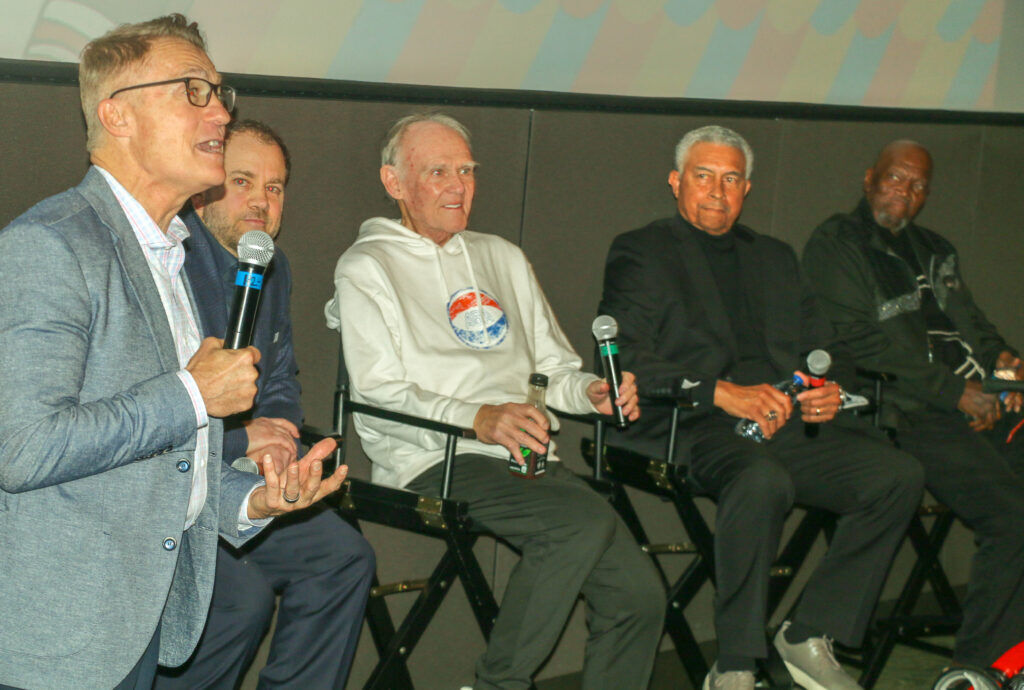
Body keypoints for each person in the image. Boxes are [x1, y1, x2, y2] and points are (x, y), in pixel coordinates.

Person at [0, 16, 344, 689]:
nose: (219, 110)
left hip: (139, 620)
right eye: (192, 90)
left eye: (218, 92)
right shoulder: (49, 246)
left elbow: (163, 461)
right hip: (62, 639)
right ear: (118, 115)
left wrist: (252, 504)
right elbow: (22, 447)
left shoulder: (170, 256)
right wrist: (192, 394)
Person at [324, 112, 665, 690]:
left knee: (639, 595)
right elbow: (381, 393)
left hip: (525, 458)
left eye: (466, 170)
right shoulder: (367, 267)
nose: (458, 186)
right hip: (431, 461)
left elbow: (553, 371)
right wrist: (476, 419)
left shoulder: (501, 256)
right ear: (394, 183)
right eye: (438, 171)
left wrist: (592, 392)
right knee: (577, 525)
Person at [599, 125, 924, 690]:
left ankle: (808, 633)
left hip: (779, 420)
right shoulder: (642, 250)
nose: (716, 192)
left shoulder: (774, 256)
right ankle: (736, 663)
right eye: (703, 176)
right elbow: (623, 355)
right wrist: (721, 392)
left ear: (746, 189)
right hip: (692, 422)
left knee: (897, 475)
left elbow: (825, 351)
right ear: (677, 181)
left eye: (730, 179)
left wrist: (827, 391)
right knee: (762, 478)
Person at [153, 120, 374, 689]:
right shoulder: (170, 264)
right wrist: (238, 439)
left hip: (245, 475)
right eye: (243, 180)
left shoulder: (271, 267)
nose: (261, 201)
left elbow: (279, 378)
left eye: (274, 188)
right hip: (174, 484)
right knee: (241, 601)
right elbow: (155, 410)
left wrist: (278, 440)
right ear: (204, 187)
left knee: (343, 557)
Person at [802, 139, 1024, 669]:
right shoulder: (836, 243)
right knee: (1013, 520)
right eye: (896, 178)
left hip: (976, 401)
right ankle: (985, 670)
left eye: (918, 185)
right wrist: (955, 393)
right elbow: (857, 341)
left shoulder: (934, 248)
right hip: (909, 412)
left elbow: (974, 324)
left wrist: (1006, 363)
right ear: (869, 177)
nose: (906, 191)